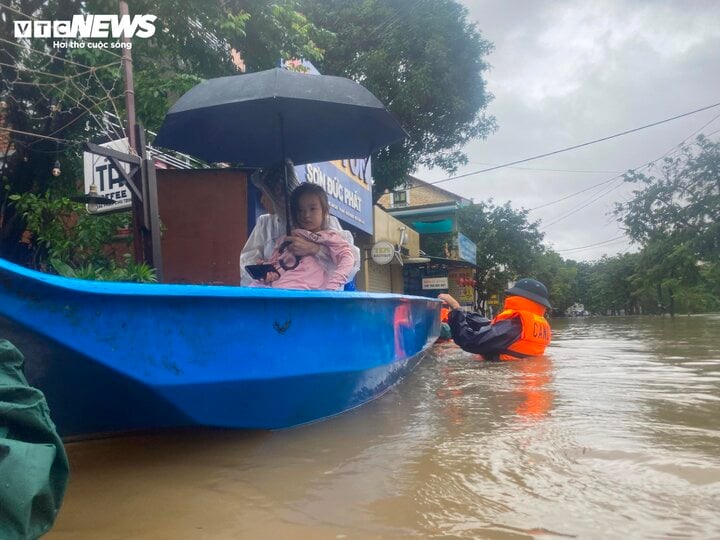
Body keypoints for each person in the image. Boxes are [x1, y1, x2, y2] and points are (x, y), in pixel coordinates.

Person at [239, 160, 360, 287]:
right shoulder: (264, 224)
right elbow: (247, 264)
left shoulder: (327, 223)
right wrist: (265, 274)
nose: (262, 200)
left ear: (278, 194)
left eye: (265, 193)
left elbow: (351, 262)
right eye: (301, 210)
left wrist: (316, 250)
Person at [250, 182, 355, 290]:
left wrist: (333, 285)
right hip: (279, 295)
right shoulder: (284, 240)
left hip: (308, 297)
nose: (306, 215)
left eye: (313, 209)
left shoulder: (330, 237)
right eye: (300, 210)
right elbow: (276, 267)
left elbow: (348, 258)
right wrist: (267, 272)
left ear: (325, 210)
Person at [438, 278, 552, 361]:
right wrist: (462, 314)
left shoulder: (515, 324)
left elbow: (470, 341)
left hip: (508, 378)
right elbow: (489, 326)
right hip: (522, 378)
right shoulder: (533, 323)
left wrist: (456, 308)